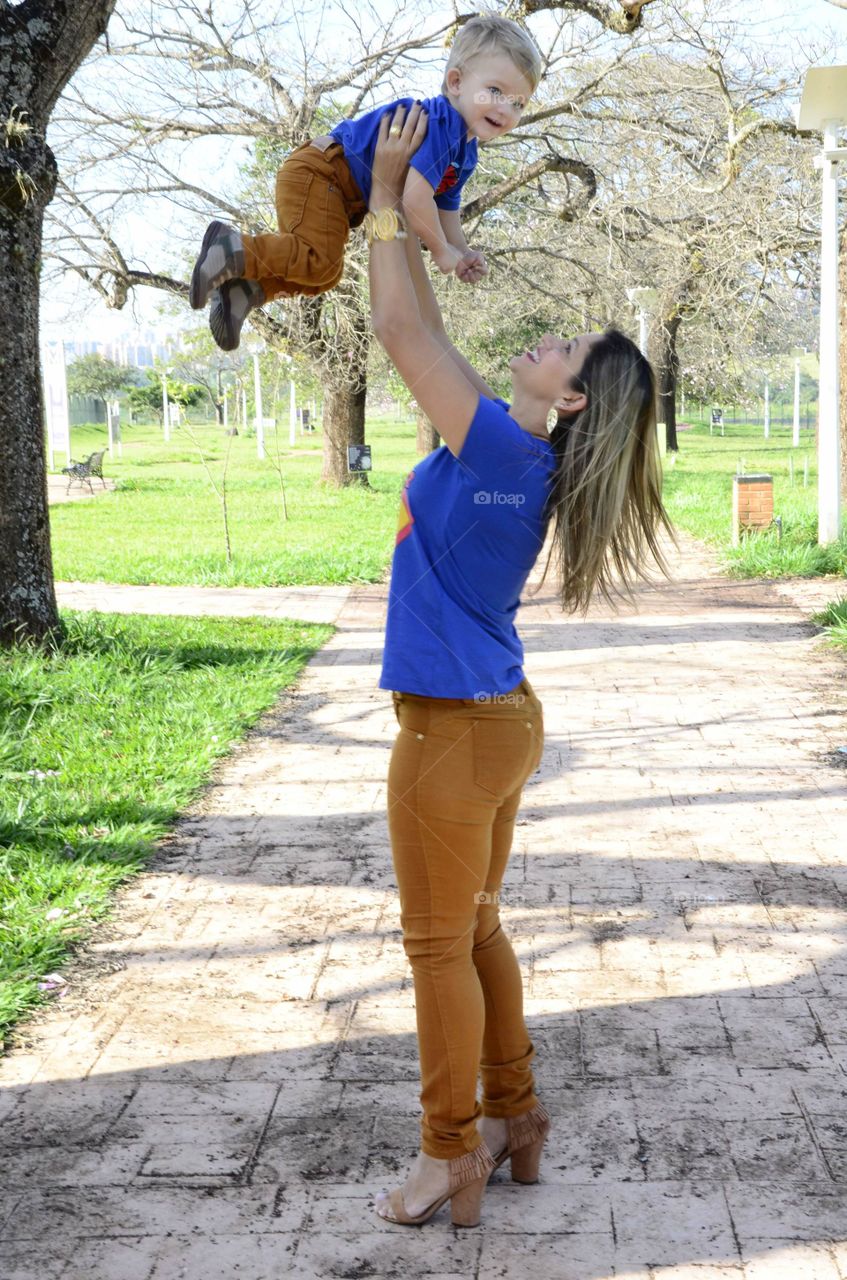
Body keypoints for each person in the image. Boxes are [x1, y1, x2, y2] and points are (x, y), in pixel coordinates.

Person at [365, 103, 679, 1229]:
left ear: (571, 396)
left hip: (452, 727)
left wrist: (378, 199)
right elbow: (427, 336)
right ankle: (516, 1116)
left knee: (437, 945)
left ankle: (449, 1152)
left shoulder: (500, 446)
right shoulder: (514, 448)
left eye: (563, 349)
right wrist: (419, 213)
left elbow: (401, 336)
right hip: (496, 718)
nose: (543, 339)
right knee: (480, 928)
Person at [188, 14, 542, 350]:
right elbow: (418, 201)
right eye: (495, 91)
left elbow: (444, 209)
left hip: (338, 193)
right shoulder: (441, 124)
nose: (505, 110)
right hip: (323, 171)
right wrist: (440, 251)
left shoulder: (465, 151)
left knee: (325, 275)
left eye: (518, 103)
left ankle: (246, 288)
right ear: (456, 82)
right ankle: (230, 248)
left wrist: (462, 252)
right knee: (319, 261)